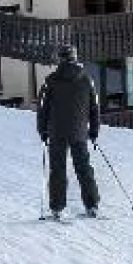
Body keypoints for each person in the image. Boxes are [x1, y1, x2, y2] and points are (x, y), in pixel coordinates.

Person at [37, 44, 101, 219]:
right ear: (74, 57)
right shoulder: (86, 79)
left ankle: (57, 208)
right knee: (84, 168)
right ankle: (92, 205)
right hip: (79, 132)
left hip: (56, 133)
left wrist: (42, 130)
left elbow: (43, 108)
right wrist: (94, 131)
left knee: (57, 169)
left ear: (60, 58)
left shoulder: (50, 80)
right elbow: (94, 108)